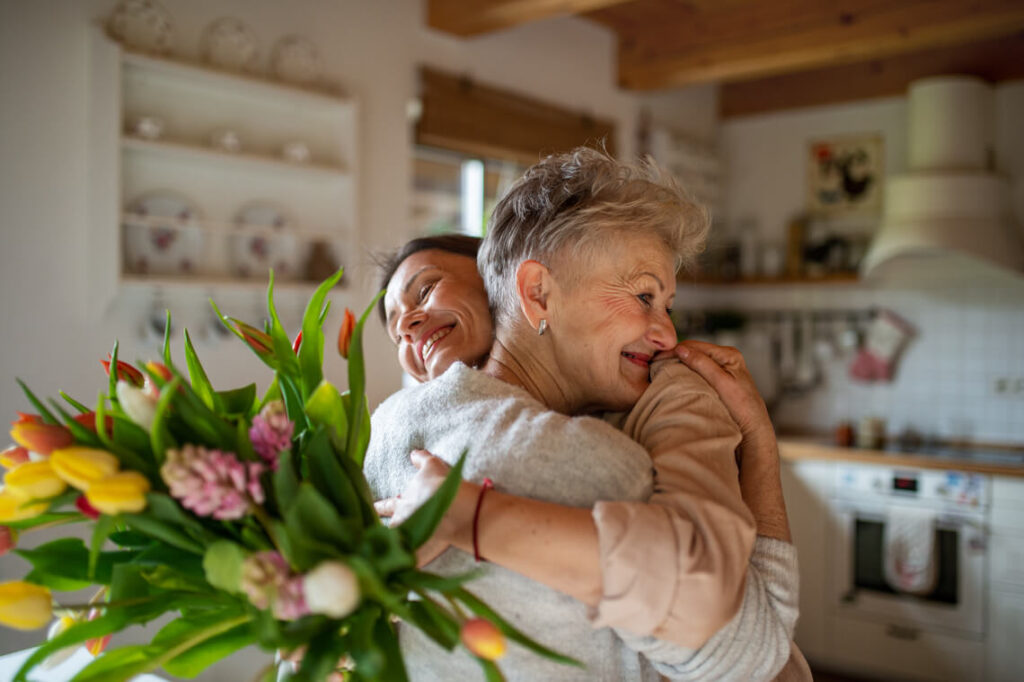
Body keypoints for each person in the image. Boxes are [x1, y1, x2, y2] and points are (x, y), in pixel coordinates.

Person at [366, 148, 809, 681]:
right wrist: (757, 448)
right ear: (537, 294)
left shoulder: (385, 429)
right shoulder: (591, 466)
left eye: (665, 305)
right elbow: (762, 659)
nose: (668, 333)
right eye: (643, 295)